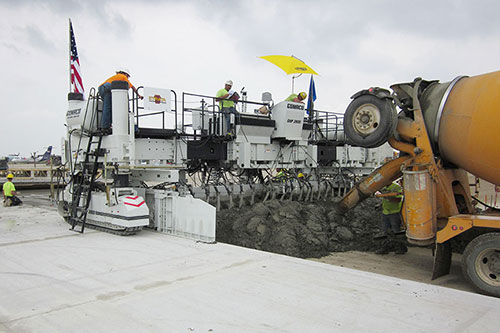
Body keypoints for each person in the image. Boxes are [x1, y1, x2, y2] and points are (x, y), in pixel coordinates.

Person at [98, 68, 143, 133]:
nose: (127, 78)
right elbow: (132, 87)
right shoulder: (123, 77)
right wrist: (139, 95)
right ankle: (105, 126)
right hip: (108, 88)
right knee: (108, 108)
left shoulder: (116, 77)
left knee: (108, 107)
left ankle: (106, 125)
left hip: (102, 88)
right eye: (128, 76)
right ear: (125, 74)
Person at [375, 180, 407, 255]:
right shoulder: (384, 188)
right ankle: (385, 248)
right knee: (385, 231)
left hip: (394, 213)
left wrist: (386, 197)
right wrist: (381, 205)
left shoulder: (396, 187)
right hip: (385, 212)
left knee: (396, 231)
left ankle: (400, 248)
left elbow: (398, 199)